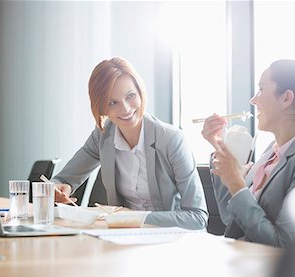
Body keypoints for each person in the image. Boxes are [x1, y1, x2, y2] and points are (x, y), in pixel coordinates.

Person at [52, 57, 208, 230]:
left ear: (140, 92)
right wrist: (59, 188)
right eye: (113, 103)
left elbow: (197, 217)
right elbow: (64, 178)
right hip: (124, 240)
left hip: (170, 241)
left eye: (130, 96)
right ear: (102, 107)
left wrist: (134, 218)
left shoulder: (172, 139)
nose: (125, 109)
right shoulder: (103, 135)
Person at [201, 59, 295, 247]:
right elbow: (230, 217)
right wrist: (219, 147)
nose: (253, 100)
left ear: (286, 98)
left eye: (262, 88)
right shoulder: (270, 153)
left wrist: (237, 183)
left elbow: (284, 245)